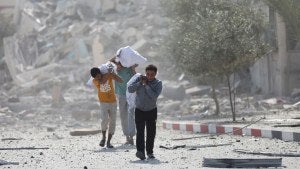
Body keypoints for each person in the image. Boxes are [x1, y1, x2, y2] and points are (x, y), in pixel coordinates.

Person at [128, 64, 162, 160]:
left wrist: (146, 85)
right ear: (145, 73)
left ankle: (150, 152)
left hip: (151, 110)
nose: (150, 76)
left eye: (152, 74)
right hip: (139, 109)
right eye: (148, 74)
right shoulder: (139, 79)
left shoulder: (158, 83)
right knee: (140, 132)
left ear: (155, 74)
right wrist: (140, 83)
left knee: (151, 132)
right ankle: (140, 151)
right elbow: (130, 89)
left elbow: (154, 96)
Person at [90, 67, 123, 148]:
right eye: (96, 77)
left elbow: (121, 81)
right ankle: (103, 137)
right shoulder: (95, 81)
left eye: (99, 75)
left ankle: (108, 141)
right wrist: (109, 73)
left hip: (113, 102)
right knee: (104, 119)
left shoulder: (108, 75)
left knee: (113, 121)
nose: (98, 77)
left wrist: (113, 73)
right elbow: (102, 82)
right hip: (103, 102)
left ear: (100, 73)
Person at [111, 57, 137, 145]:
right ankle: (127, 137)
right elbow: (110, 61)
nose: (117, 67)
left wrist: (133, 68)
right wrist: (118, 56)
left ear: (121, 63)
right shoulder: (114, 71)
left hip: (131, 95)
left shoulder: (129, 68)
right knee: (123, 116)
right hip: (121, 96)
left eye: (118, 65)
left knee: (131, 115)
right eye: (116, 65)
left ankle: (132, 136)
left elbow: (136, 77)